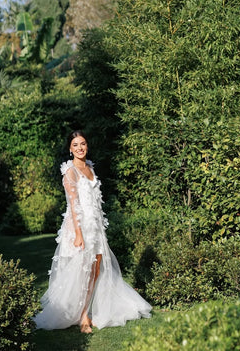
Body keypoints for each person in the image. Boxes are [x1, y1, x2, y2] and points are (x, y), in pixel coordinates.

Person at [34, 130, 152, 333]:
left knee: (96, 271)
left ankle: (87, 310)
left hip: (96, 225)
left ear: (87, 146)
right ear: (70, 149)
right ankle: (82, 317)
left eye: (83, 144)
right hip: (81, 227)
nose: (80, 148)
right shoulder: (69, 172)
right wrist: (78, 234)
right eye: (75, 145)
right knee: (83, 272)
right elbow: (73, 205)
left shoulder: (90, 168)